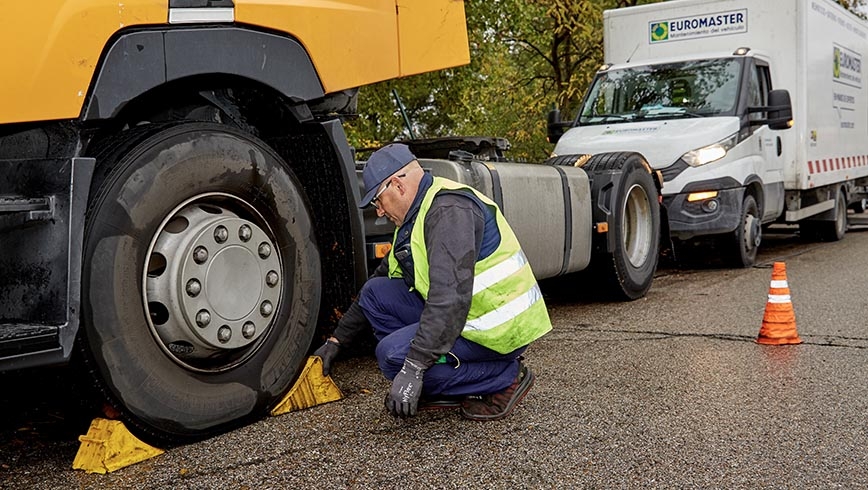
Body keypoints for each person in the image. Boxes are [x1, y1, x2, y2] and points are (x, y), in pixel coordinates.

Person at [314, 143, 551, 420]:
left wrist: (413, 368)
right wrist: (336, 340)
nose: (378, 211)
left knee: (392, 357)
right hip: (466, 317)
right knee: (378, 294)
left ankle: (506, 376)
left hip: (495, 330)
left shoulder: (449, 211)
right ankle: (445, 374)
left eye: (378, 200)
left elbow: (448, 300)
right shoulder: (414, 218)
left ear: (397, 186)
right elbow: (377, 283)